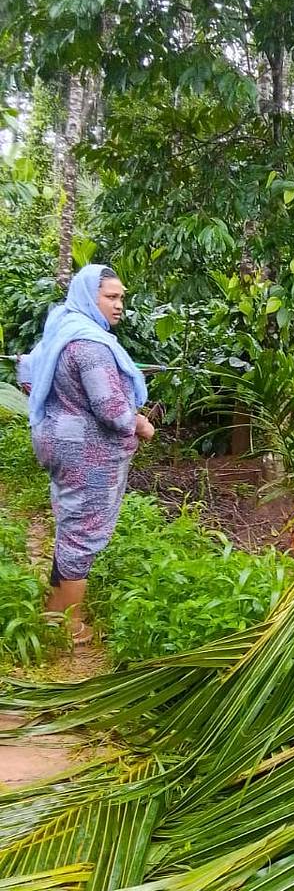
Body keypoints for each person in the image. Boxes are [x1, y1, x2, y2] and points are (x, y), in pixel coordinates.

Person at [25, 263, 154, 645]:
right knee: (83, 533)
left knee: (71, 523)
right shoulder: (91, 345)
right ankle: (68, 624)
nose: (119, 307)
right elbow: (113, 411)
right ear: (88, 297)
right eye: (111, 298)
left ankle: (54, 607)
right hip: (86, 453)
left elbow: (29, 375)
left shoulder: (61, 329)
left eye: (121, 299)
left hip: (58, 440)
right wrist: (142, 424)